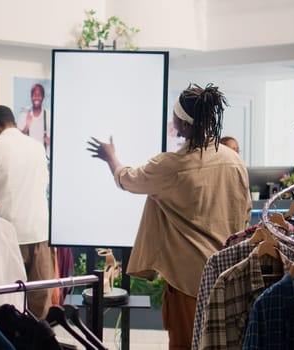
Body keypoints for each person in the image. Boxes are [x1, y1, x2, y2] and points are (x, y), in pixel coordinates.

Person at [87, 83, 251, 349]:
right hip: (229, 274)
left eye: (174, 116)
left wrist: (111, 158)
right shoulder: (234, 161)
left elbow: (129, 179)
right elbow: (244, 212)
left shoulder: (171, 166)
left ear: (183, 125)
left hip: (189, 280)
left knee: (184, 344)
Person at [0, 105, 53, 319]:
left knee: (7, 299)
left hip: (9, 234)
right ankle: (36, 340)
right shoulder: (37, 147)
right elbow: (44, 184)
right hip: (41, 231)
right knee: (40, 298)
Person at [16, 83, 51, 156]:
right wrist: (27, 127)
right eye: (34, 95)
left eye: (39, 95)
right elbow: (17, 138)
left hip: (44, 157)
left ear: (43, 97)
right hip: (28, 156)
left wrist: (51, 142)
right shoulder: (24, 114)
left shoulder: (48, 115)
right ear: (31, 97)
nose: (36, 98)